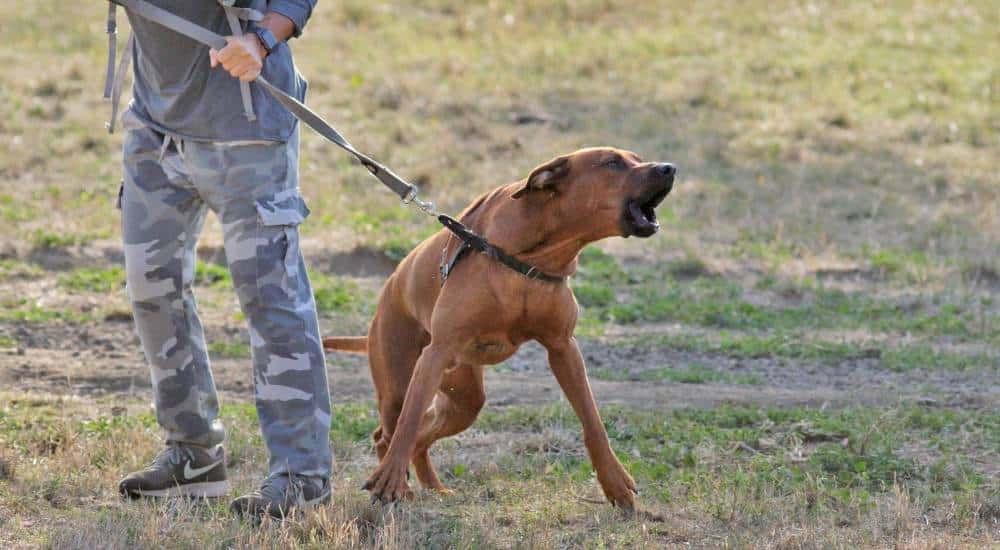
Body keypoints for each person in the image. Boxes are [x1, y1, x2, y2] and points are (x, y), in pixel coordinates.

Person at [113, 0, 331, 519]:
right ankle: (194, 453)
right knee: (151, 287)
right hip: (155, 123)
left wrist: (261, 41)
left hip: (246, 125)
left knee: (269, 296)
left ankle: (301, 475)